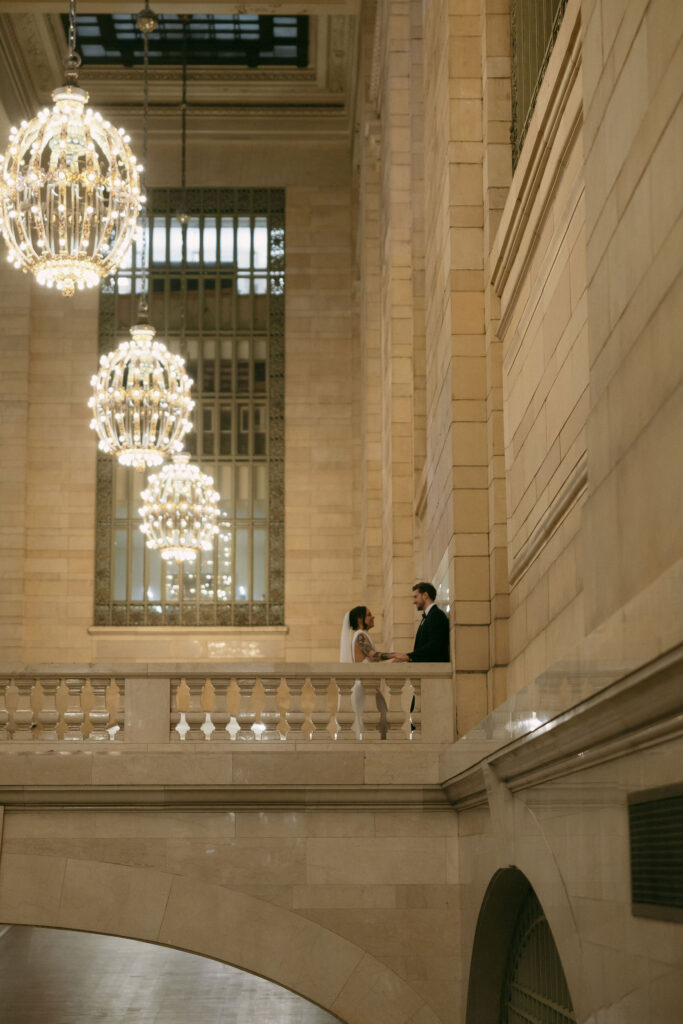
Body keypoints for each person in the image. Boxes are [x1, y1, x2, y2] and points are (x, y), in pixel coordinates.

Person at [393, 582, 450, 663]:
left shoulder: (436, 615)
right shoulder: (428, 616)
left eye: (416, 597)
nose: (414, 601)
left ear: (425, 595)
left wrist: (409, 657)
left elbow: (435, 645)